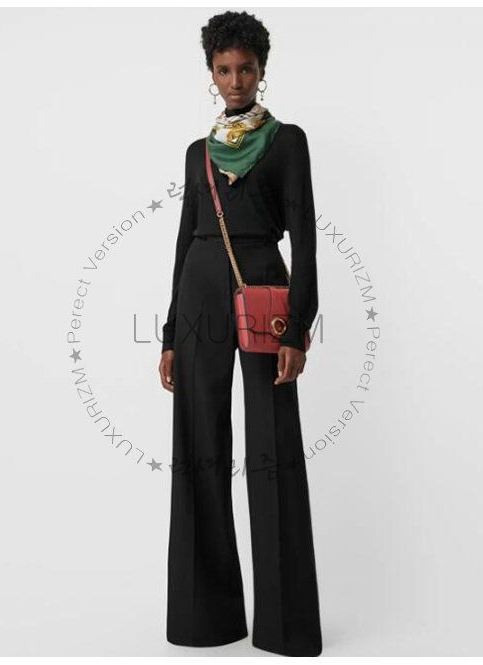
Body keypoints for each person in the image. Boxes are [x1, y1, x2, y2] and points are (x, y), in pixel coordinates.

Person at [158, 10, 322, 658]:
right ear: (211, 73)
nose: (235, 80)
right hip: (200, 291)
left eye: (245, 68)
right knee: (198, 445)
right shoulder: (197, 153)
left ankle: (284, 627)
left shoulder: (288, 142)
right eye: (224, 69)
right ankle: (206, 619)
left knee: (272, 448)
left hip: (263, 292)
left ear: (262, 70)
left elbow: (305, 238)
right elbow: (183, 242)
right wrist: (171, 334)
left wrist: (298, 329)